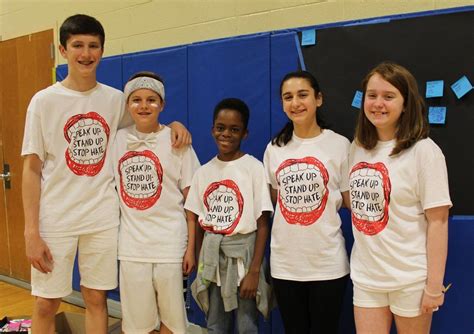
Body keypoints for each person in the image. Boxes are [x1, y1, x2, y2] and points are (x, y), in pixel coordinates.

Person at [21, 14, 190, 333]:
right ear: (63, 50)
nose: (86, 54)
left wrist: (176, 126)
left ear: (102, 50)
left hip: (102, 217)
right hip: (56, 218)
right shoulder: (43, 102)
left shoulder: (115, 100)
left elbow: (147, 123)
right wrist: (31, 232)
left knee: (96, 298)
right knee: (46, 302)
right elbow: (31, 169)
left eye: (93, 46)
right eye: (78, 46)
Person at [348, 61, 452, 333]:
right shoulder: (357, 147)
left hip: (410, 281)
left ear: (405, 103)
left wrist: (433, 286)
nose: (378, 103)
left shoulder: (424, 151)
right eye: (372, 95)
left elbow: (438, 222)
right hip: (367, 278)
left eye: (389, 96)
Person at [112, 71, 200, 334]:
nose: (144, 106)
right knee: (138, 323)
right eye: (136, 100)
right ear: (127, 105)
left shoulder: (177, 141)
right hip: (132, 247)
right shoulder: (116, 140)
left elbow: (191, 202)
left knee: (172, 321)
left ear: (162, 104)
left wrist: (191, 248)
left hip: (170, 246)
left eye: (152, 100)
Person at [263, 71, 350, 333]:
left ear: (318, 99)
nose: (295, 103)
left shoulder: (340, 144)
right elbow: (277, 199)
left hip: (328, 264)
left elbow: (348, 200)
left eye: (303, 95)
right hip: (286, 265)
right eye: (288, 97)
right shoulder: (274, 149)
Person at [186, 98, 274, 333]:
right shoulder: (203, 173)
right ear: (212, 129)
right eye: (220, 127)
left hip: (244, 258)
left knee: (247, 326)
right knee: (215, 325)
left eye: (234, 129)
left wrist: (255, 270)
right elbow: (196, 220)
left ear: (245, 133)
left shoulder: (253, 168)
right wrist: (200, 262)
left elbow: (263, 223)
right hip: (212, 260)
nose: (226, 134)